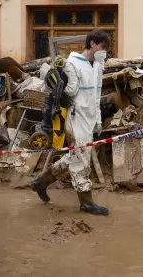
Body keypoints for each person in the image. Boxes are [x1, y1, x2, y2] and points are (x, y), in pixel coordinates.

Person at [30, 29, 110, 216]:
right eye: (103, 47)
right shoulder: (73, 63)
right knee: (82, 158)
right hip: (76, 117)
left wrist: (98, 119)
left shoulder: (98, 65)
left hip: (90, 117)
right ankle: (86, 202)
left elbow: (97, 93)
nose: (105, 51)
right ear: (92, 44)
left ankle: (40, 182)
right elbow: (71, 92)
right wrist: (64, 72)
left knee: (75, 156)